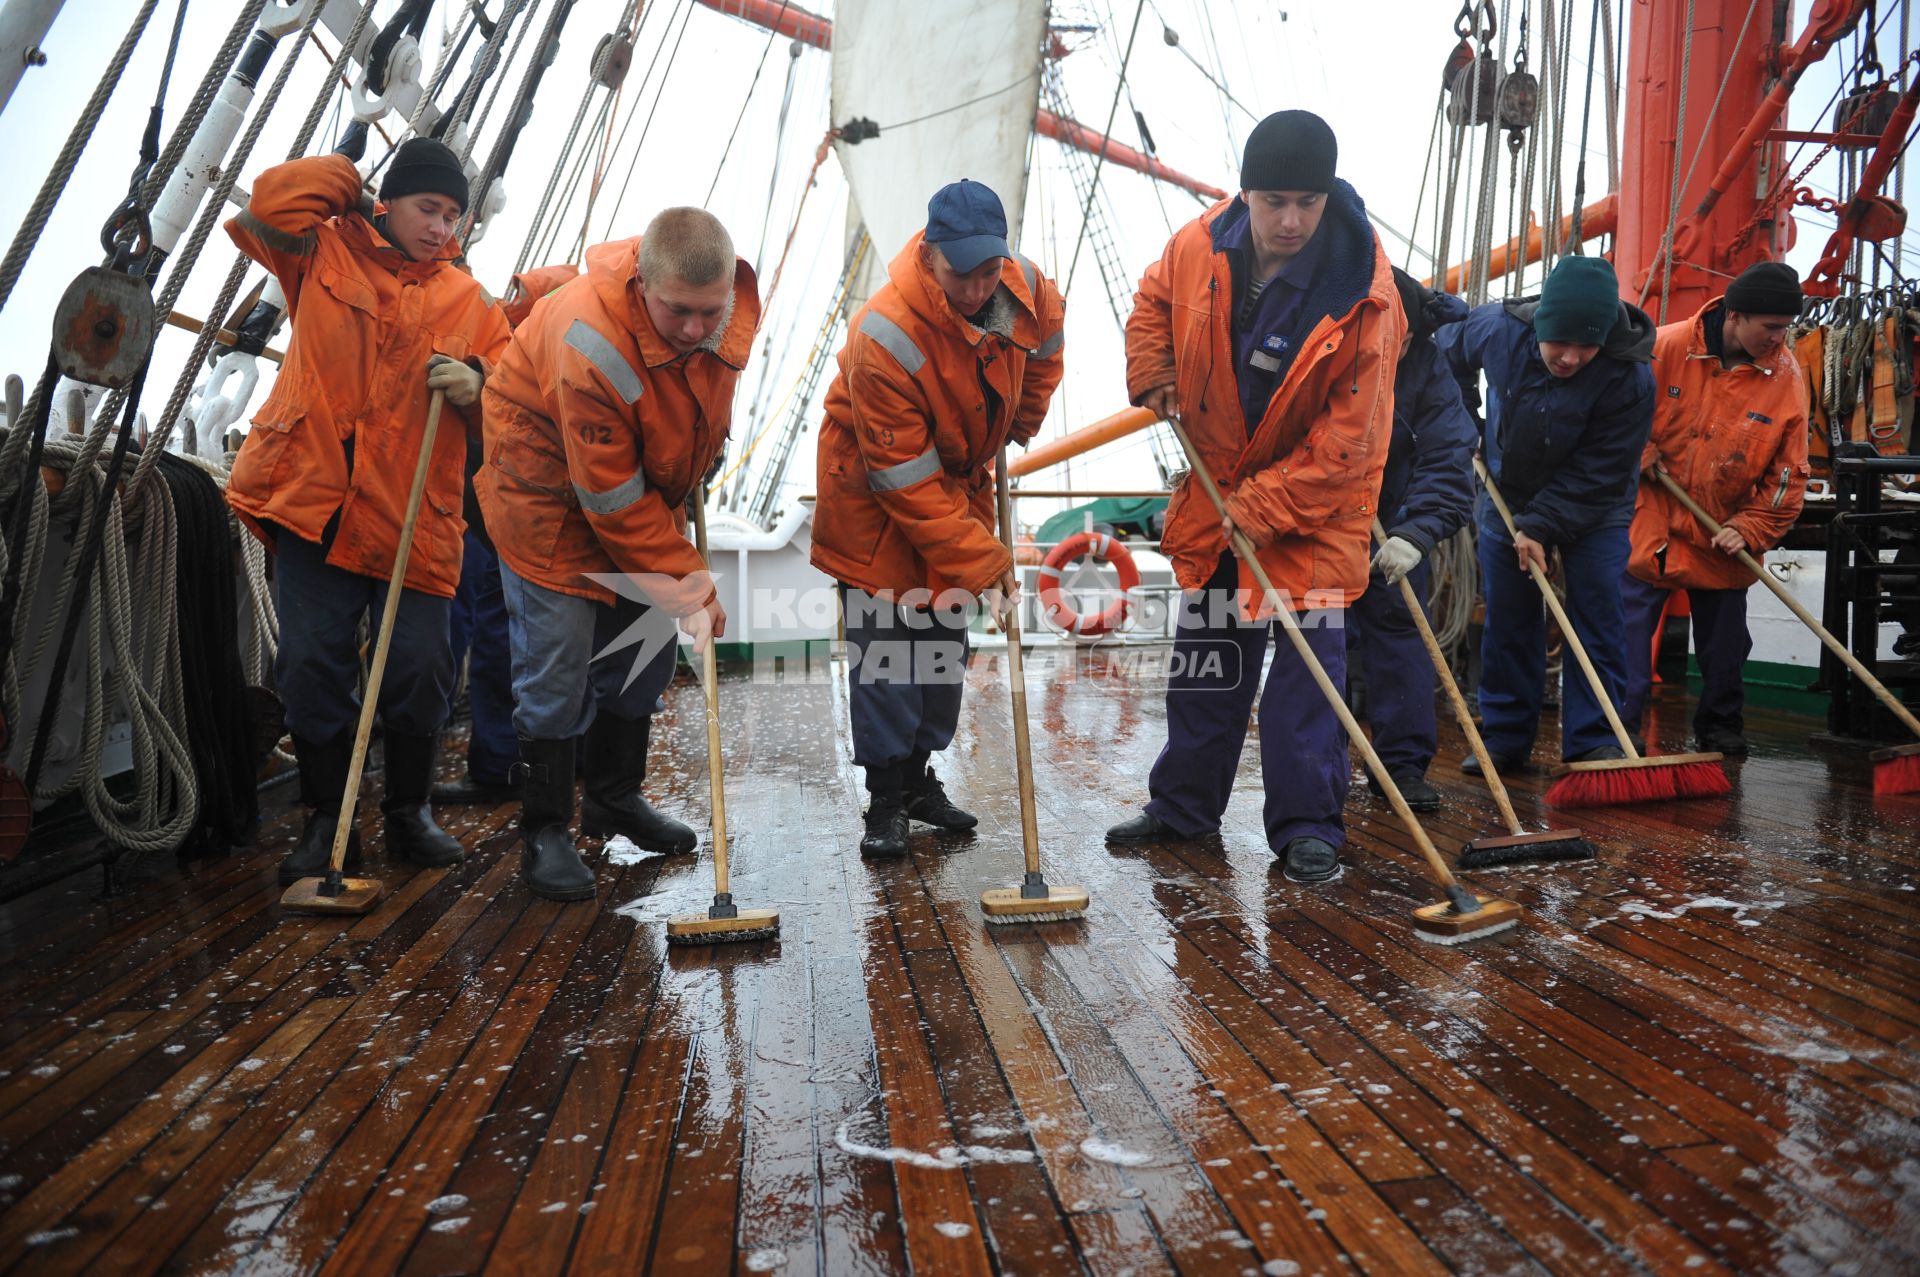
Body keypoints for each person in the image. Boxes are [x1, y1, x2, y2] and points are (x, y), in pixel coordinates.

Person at [1105, 110, 1405, 884]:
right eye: (1275, 200)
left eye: (1308, 201)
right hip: (1218, 495)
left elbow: (1352, 446)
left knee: (1307, 681)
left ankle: (1309, 828)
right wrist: (1153, 372)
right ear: (1247, 193)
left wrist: (1258, 509)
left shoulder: (1367, 298)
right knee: (1205, 664)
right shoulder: (1198, 242)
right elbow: (1150, 303)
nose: (1292, 220)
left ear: (1329, 196)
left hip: (1314, 515)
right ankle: (1182, 808)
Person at [224, 137, 511, 885]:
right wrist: (349, 186)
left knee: (420, 666)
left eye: (453, 214)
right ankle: (331, 817)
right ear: (390, 202)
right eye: (428, 208)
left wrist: (480, 383)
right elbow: (268, 203)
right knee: (313, 661)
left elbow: (519, 402)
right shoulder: (321, 253)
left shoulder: (473, 304)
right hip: (313, 499)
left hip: (414, 514)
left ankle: (408, 811)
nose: (442, 226)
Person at [477, 208, 757, 901]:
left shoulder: (726, 315)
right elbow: (611, 503)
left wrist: (702, 454)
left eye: (707, 312)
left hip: (639, 491)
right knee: (557, 670)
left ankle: (612, 797)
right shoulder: (589, 338)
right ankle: (545, 828)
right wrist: (690, 581)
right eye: (678, 312)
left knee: (643, 652)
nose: (695, 330)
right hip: (548, 501)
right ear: (642, 283)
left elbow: (694, 404)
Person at [810, 179, 1066, 858]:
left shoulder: (1022, 287)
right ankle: (886, 800)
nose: (979, 290)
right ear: (930, 255)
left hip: (956, 480)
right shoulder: (885, 333)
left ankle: (920, 780)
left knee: (943, 646)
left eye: (990, 272)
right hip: (876, 497)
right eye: (962, 275)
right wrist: (988, 563)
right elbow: (906, 486)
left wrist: (1024, 416)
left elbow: (1047, 343)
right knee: (889, 649)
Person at [1436, 255, 1656, 770]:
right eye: (1559, 342)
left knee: (1596, 611)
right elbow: (1446, 357)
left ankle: (1594, 738)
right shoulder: (1495, 329)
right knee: (1510, 616)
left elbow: (1602, 469)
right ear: (1539, 323)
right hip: (1507, 490)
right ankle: (1506, 738)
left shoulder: (1631, 377)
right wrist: (1465, 420)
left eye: (1586, 346)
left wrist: (1539, 525)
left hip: (1595, 502)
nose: (1571, 358)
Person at [1621, 261, 1810, 754]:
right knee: (1625, 641)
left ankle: (1722, 731)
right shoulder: (1662, 347)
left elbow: (1788, 473)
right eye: (1771, 327)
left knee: (1725, 652)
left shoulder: (1787, 377)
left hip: (1721, 534)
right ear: (1735, 316)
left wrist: (1752, 528)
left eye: (1785, 329)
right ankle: (1616, 735)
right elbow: (1612, 414)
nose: (1779, 339)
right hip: (1649, 522)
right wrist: (1632, 450)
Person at [435, 263, 583, 807]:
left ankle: (523, 765)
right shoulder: (518, 332)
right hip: (501, 519)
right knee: (510, 647)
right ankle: (513, 764)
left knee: (522, 648)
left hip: (527, 521)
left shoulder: (533, 328)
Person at [1347, 269, 1475, 812]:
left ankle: (1401, 767)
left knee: (1402, 638)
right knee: (1319, 646)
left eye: (1402, 339)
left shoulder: (1427, 365)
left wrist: (1416, 532)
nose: (1391, 350)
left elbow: (1448, 456)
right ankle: (1320, 773)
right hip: (1317, 522)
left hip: (1394, 524)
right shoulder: (1330, 352)